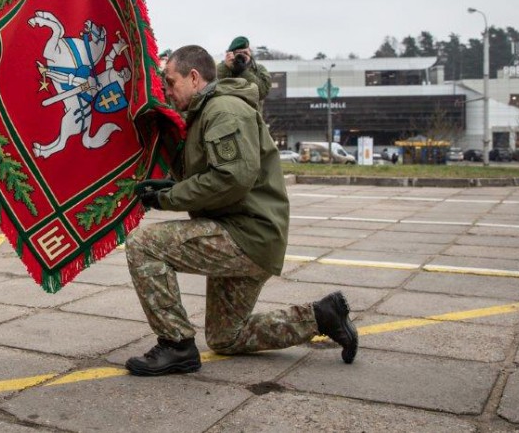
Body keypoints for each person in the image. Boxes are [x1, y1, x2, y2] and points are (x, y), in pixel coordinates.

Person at [125, 45, 357, 376]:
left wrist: (168, 198)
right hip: (248, 232)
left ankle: (176, 345)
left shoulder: (224, 112)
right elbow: (206, 173)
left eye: (171, 82)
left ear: (194, 77)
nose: (166, 90)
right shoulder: (205, 113)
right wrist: (167, 184)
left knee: (143, 244)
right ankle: (322, 316)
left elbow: (231, 178)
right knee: (225, 338)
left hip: (246, 234)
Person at [216, 36, 271, 111]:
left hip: (251, 118)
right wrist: (226, 68)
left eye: (245, 52)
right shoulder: (221, 68)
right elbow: (214, 88)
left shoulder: (259, 69)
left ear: (250, 53)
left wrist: (243, 71)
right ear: (231, 54)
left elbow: (262, 92)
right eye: (238, 53)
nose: (242, 56)